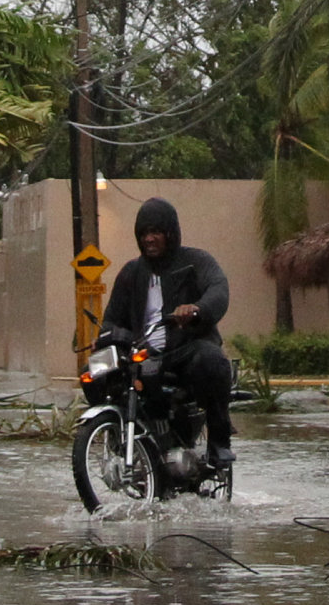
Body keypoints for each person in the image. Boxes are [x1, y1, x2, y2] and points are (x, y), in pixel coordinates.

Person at [98, 196, 235, 471]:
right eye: (144, 233)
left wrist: (196, 309)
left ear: (171, 234)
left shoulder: (197, 262)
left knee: (211, 360)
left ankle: (219, 442)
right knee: (96, 367)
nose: (150, 239)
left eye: (156, 232)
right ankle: (116, 434)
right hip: (143, 356)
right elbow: (110, 321)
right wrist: (111, 336)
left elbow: (219, 290)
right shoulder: (130, 273)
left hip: (184, 351)